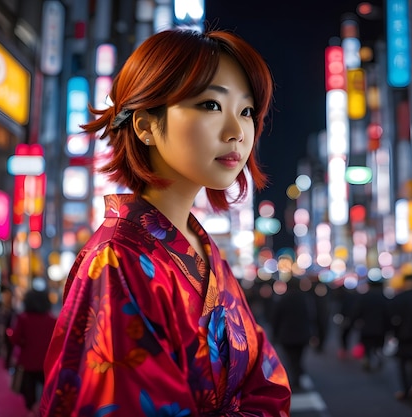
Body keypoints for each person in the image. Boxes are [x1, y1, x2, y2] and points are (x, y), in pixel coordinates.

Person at [40, 28, 291, 416]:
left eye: (246, 112)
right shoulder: (116, 261)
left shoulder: (201, 246)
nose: (237, 132)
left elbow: (266, 378)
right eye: (210, 105)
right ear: (145, 125)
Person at [9, 289, 57, 414]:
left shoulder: (23, 318)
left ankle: (32, 410)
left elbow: (14, 339)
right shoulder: (52, 319)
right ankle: (40, 409)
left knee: (28, 392)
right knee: (46, 391)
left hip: (27, 362)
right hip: (47, 362)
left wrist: (24, 342)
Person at [271, 277, 313, 392]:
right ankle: (297, 377)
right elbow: (311, 316)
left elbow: (276, 318)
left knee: (290, 358)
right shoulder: (305, 298)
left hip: (286, 334)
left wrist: (274, 335)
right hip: (302, 333)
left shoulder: (283, 299)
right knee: (298, 357)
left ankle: (295, 378)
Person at [352, 279, 389, 371]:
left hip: (366, 328)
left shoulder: (364, 297)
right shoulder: (384, 298)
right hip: (381, 328)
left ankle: (367, 360)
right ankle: (377, 358)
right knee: (378, 346)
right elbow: (388, 314)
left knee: (367, 346)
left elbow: (357, 312)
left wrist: (354, 322)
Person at [0, 286, 16, 369]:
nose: (6, 297)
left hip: (8, 338)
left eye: (8, 295)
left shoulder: (14, 311)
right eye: (5, 295)